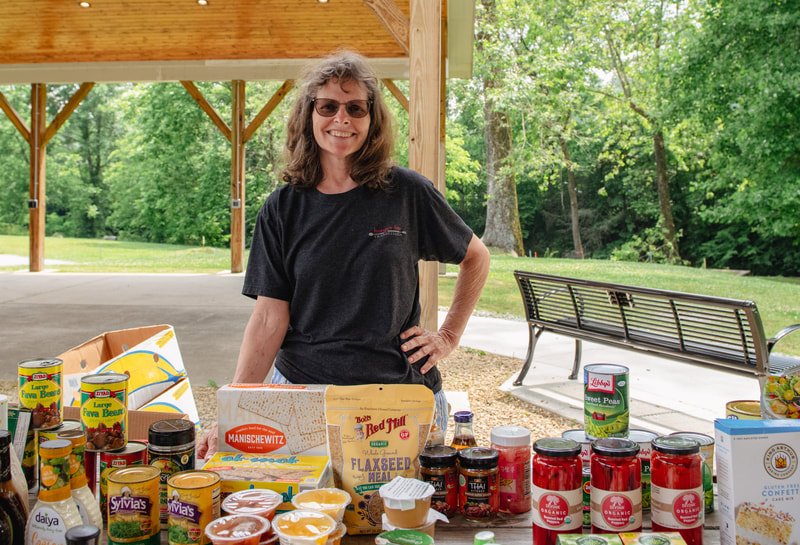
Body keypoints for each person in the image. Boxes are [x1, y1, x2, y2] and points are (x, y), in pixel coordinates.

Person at [197, 51, 490, 458]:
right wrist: (232, 410)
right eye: (327, 106)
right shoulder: (282, 209)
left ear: (372, 120)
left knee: (403, 516)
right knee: (303, 518)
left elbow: (476, 257)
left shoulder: (406, 193)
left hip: (397, 398)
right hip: (303, 397)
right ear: (308, 114)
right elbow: (268, 318)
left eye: (355, 108)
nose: (342, 118)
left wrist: (448, 337)